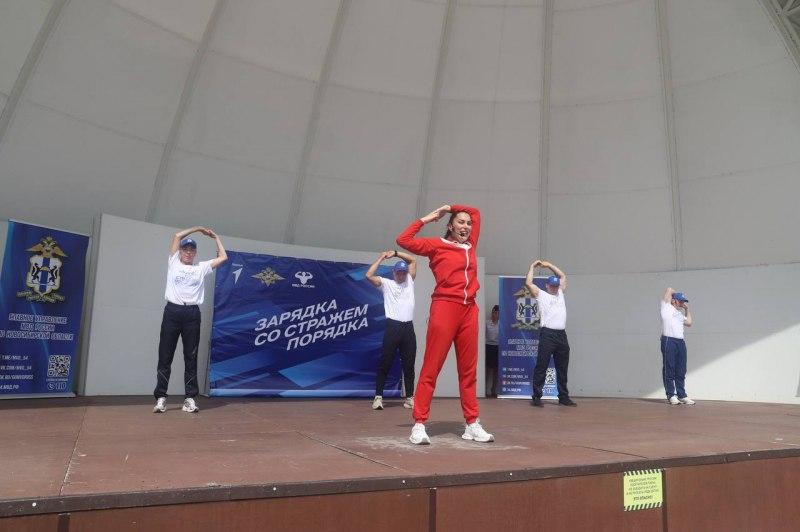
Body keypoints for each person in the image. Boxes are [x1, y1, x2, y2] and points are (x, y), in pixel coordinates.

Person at [397, 204, 494, 445]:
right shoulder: (436, 245)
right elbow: (403, 240)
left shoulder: (471, 245)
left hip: (469, 310)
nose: (466, 226)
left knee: (468, 371)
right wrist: (427, 218)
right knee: (432, 367)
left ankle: (472, 423)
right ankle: (419, 424)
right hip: (445, 307)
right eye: (460, 222)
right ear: (450, 226)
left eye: (468, 224)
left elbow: (476, 212)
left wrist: (452, 207)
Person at [153, 226, 227, 413]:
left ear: (195, 253)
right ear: (180, 251)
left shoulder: (201, 268)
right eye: (185, 249)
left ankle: (190, 399)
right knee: (165, 355)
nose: (188, 252)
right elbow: (177, 235)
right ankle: (161, 398)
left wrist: (215, 237)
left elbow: (223, 257)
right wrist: (199, 229)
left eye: (191, 250)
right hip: (172, 311)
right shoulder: (173, 262)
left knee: (191, 357)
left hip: (192, 314)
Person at [365, 249, 418, 411]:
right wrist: (381, 258)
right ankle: (378, 398)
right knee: (385, 363)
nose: (401, 275)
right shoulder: (386, 284)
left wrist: (395, 253)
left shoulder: (409, 281)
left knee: (409, 364)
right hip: (393, 327)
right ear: (394, 273)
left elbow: (413, 260)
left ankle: (410, 398)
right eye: (399, 272)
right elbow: (368, 275)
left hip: (408, 328)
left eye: (403, 272)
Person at [524, 260, 576, 407]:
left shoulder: (560, 293)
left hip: (561, 335)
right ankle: (536, 397)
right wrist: (532, 267)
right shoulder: (541, 294)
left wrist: (548, 265)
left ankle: (563, 397)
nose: (554, 287)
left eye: (556, 285)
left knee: (562, 367)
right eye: (552, 285)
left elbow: (563, 276)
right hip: (547, 334)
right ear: (547, 285)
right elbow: (528, 283)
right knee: (542, 366)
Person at [660, 288, 695, 405]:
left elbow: (689, 323)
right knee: (669, 367)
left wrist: (687, 309)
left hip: (680, 342)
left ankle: (682, 395)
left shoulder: (679, 314)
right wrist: (674, 296)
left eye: (683, 301)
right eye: (680, 301)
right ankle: (671, 395)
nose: (682, 303)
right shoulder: (666, 308)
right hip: (669, 340)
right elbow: (669, 289)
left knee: (681, 369)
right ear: (674, 300)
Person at [485, 305, 499, 397]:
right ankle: (485, 390)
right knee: (488, 370)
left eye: (496, 313)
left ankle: (494, 390)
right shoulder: (487, 323)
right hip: (488, 346)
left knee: (496, 370)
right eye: (493, 312)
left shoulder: (501, 324)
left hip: (498, 347)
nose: (494, 314)